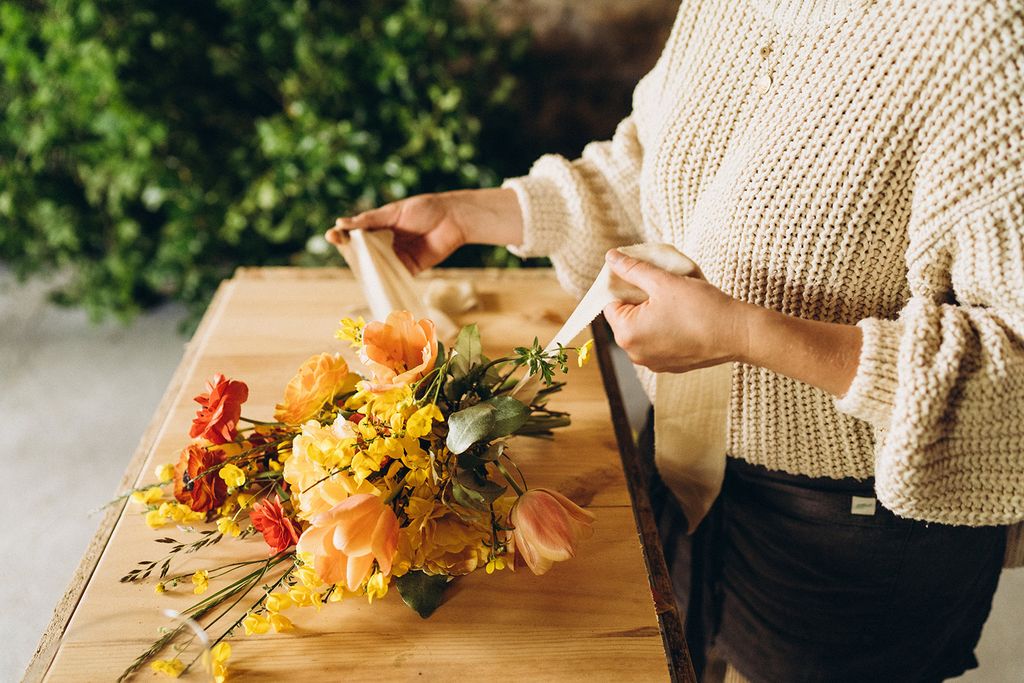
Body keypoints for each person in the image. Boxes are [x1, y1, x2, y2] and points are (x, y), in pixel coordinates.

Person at [327, 1, 1024, 681]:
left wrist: (749, 334)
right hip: (684, 465)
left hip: (849, 544)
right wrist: (473, 212)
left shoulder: (982, 34)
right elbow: (655, 165)